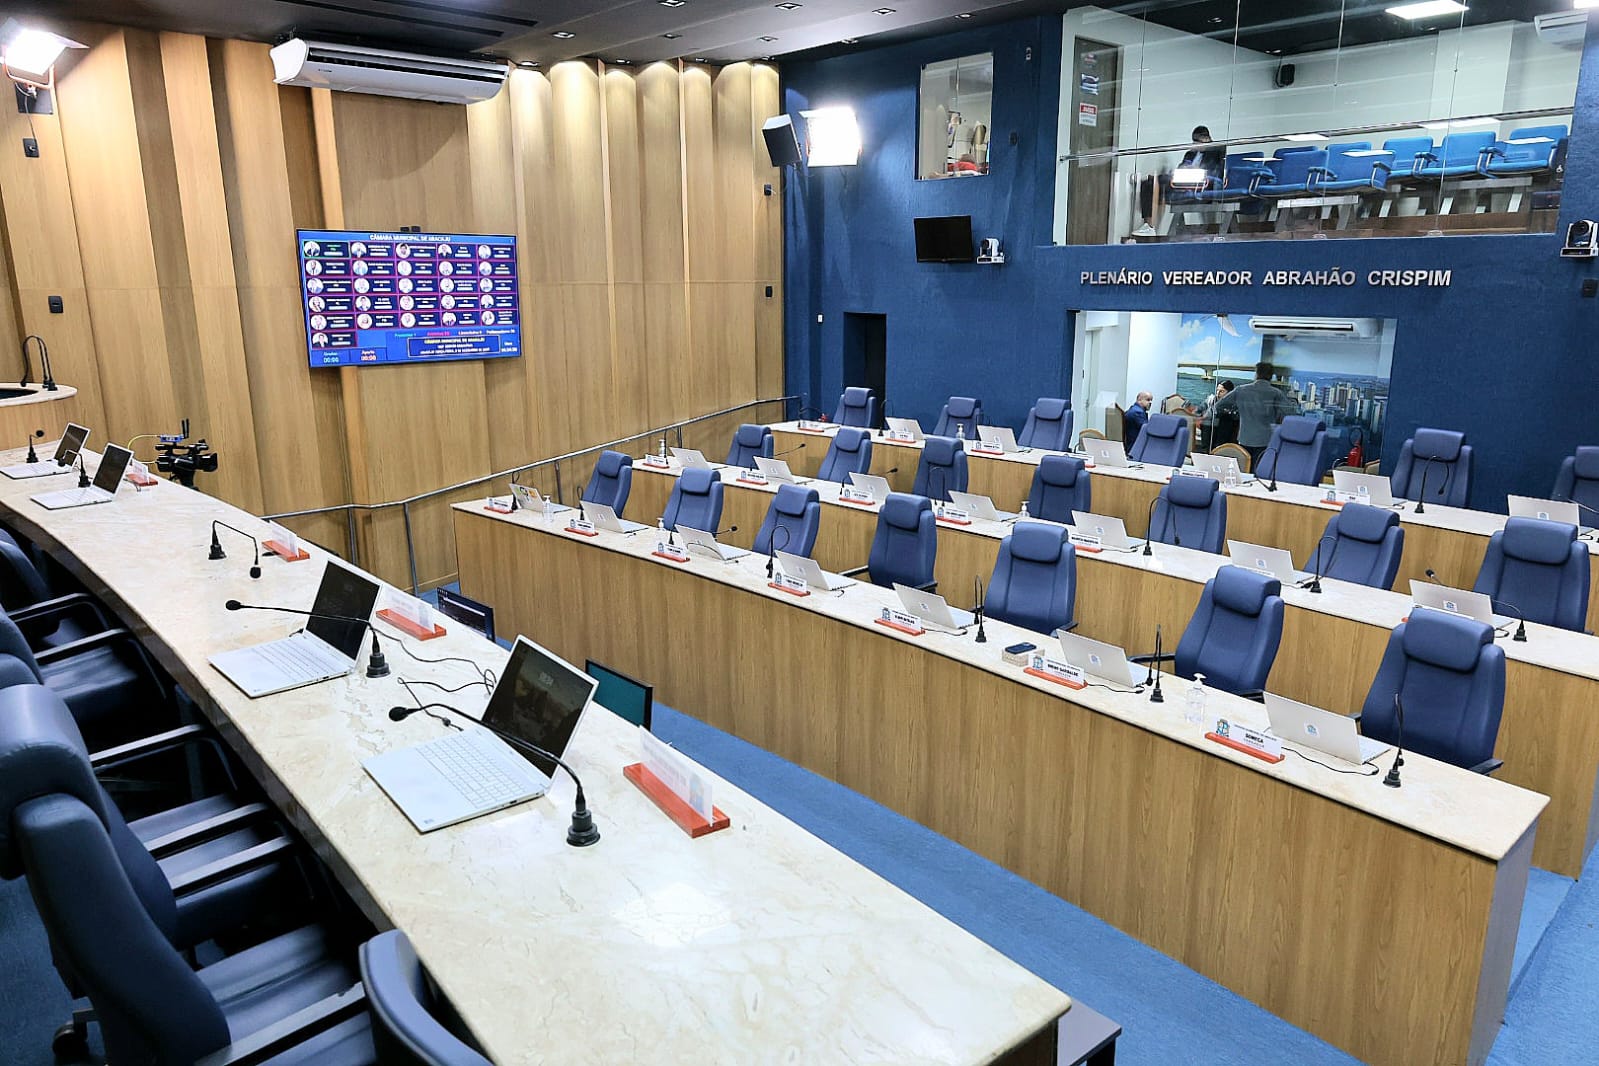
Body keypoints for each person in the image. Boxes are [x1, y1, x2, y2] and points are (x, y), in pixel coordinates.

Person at [1136, 126, 1226, 237]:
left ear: (1207, 139)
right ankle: (1148, 225)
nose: (1196, 145)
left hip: (1199, 183)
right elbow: (1181, 167)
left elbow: (1214, 172)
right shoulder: (1190, 154)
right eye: (1194, 142)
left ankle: (1151, 226)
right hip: (1183, 181)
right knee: (1148, 184)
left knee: (1161, 181)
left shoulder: (1215, 152)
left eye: (1198, 142)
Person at [1214, 363, 1297, 466]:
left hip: (1245, 439)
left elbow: (1219, 405)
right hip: (1265, 441)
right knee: (1260, 470)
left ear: (1256, 374)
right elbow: (1291, 412)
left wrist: (1235, 411)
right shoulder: (1276, 393)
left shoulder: (1241, 390)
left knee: (1244, 469)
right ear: (1271, 376)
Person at [1199, 380, 1238, 451]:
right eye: (1217, 390)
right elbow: (1199, 411)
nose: (1218, 393)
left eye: (1222, 391)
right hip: (1208, 433)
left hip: (1225, 436)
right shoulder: (1210, 400)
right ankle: (1206, 449)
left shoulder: (1234, 405)